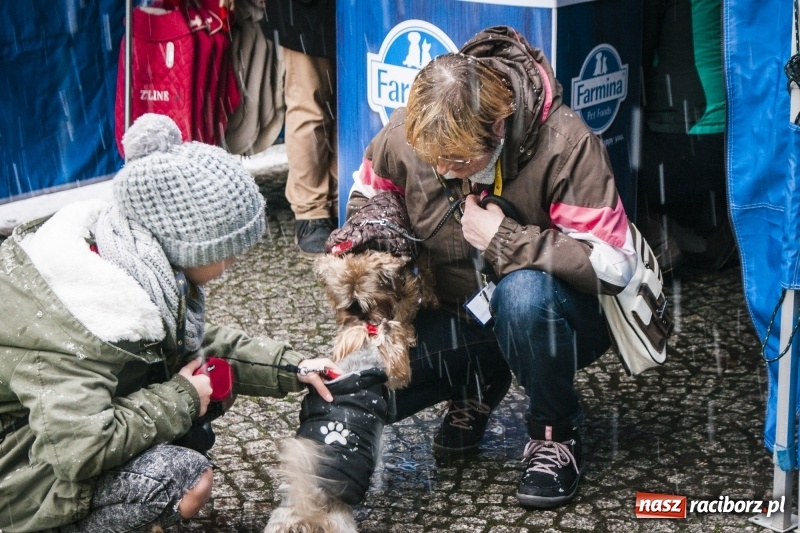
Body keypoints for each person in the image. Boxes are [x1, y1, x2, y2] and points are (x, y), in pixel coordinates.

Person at [341, 26, 638, 508]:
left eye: (457, 162)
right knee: (350, 381)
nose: (443, 172)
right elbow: (369, 189)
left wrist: (504, 239)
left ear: (497, 128)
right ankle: (479, 376)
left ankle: (554, 433)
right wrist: (377, 228)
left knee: (520, 295)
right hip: (462, 313)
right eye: (432, 161)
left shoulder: (566, 144)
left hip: (559, 316)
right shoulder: (411, 131)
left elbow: (615, 265)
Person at [0, 113, 339, 533]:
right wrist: (181, 397)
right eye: (228, 250)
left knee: (204, 398)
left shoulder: (130, 261)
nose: (233, 263)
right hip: (15, 477)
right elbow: (80, 449)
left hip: (43, 439)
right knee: (185, 477)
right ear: (187, 246)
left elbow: (190, 343)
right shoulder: (79, 316)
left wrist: (292, 366)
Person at [638, 0, 736, 272]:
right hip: (731, 137)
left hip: (686, 142)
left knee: (609, 151)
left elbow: (636, 51)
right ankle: (713, 233)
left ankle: (659, 239)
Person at [261, 0, 338, 257]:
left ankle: (345, 199)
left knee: (353, 103)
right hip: (306, 10)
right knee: (310, 104)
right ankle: (312, 213)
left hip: (357, 10)